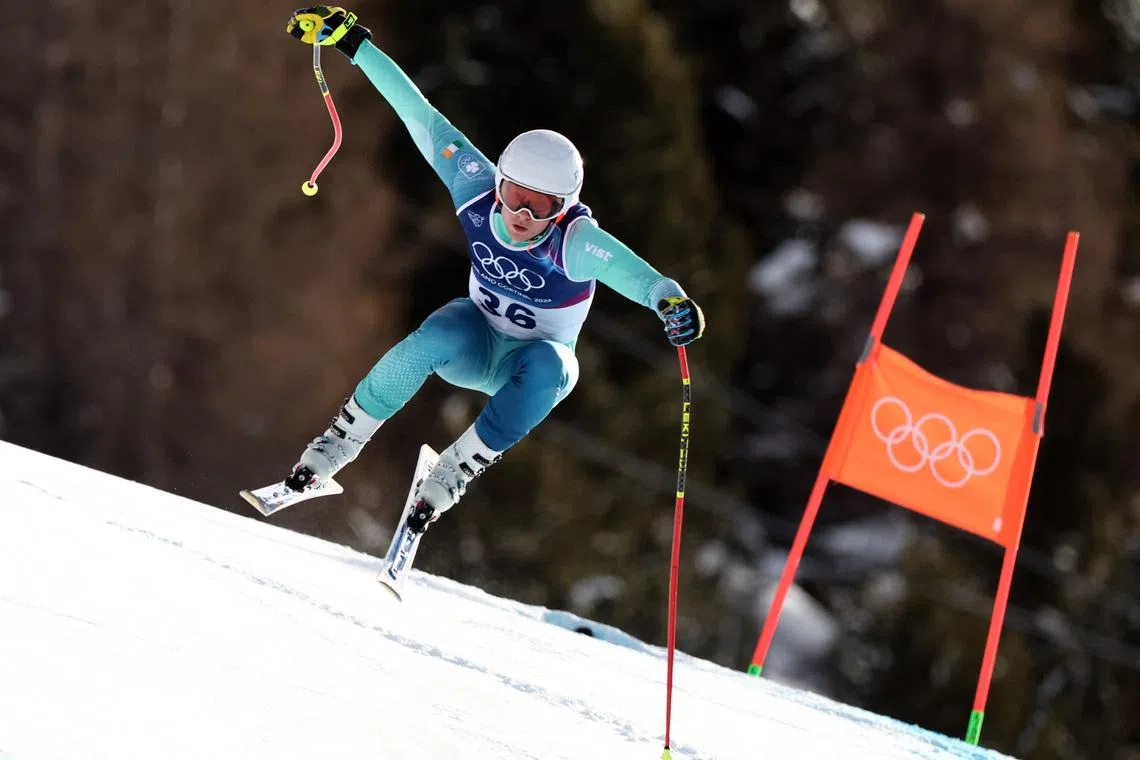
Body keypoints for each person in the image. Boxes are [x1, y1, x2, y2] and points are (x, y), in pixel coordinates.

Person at [283, 7, 706, 531]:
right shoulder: (475, 187)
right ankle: (341, 442)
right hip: (474, 343)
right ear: (499, 182)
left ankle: (453, 471)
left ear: (566, 206)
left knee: (557, 368)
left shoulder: (575, 243)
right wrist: (352, 43)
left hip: (526, 368)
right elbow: (418, 114)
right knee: (436, 333)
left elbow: (642, 279)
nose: (524, 216)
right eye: (515, 197)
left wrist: (673, 303)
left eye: (543, 207)